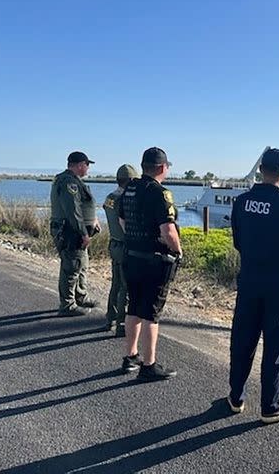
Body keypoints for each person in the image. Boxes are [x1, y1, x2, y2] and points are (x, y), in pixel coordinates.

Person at [228, 147, 279, 423]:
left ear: (261, 169)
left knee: (242, 339)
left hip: (249, 277)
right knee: (274, 344)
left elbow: (237, 240)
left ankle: (236, 396)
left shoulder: (242, 201)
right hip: (278, 282)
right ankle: (270, 406)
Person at [119, 147, 181, 382]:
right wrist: (178, 251)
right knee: (151, 313)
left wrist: (136, 239)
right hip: (154, 261)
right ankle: (149, 365)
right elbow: (168, 230)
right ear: (162, 168)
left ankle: (131, 356)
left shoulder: (130, 189)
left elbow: (122, 220)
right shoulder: (160, 193)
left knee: (133, 307)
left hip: (131, 256)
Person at [50, 151, 101, 316]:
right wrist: (83, 233)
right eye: (87, 165)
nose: (88, 168)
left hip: (74, 230)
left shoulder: (72, 180)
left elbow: (83, 206)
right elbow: (73, 210)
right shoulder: (69, 183)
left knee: (81, 264)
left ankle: (80, 296)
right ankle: (67, 305)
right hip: (71, 231)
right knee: (71, 267)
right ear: (80, 165)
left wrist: (93, 221)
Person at [103, 164, 139, 337]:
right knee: (125, 287)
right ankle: (121, 323)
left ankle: (110, 317)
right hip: (125, 247)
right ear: (131, 180)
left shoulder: (110, 197)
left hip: (114, 244)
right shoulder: (125, 199)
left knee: (116, 283)